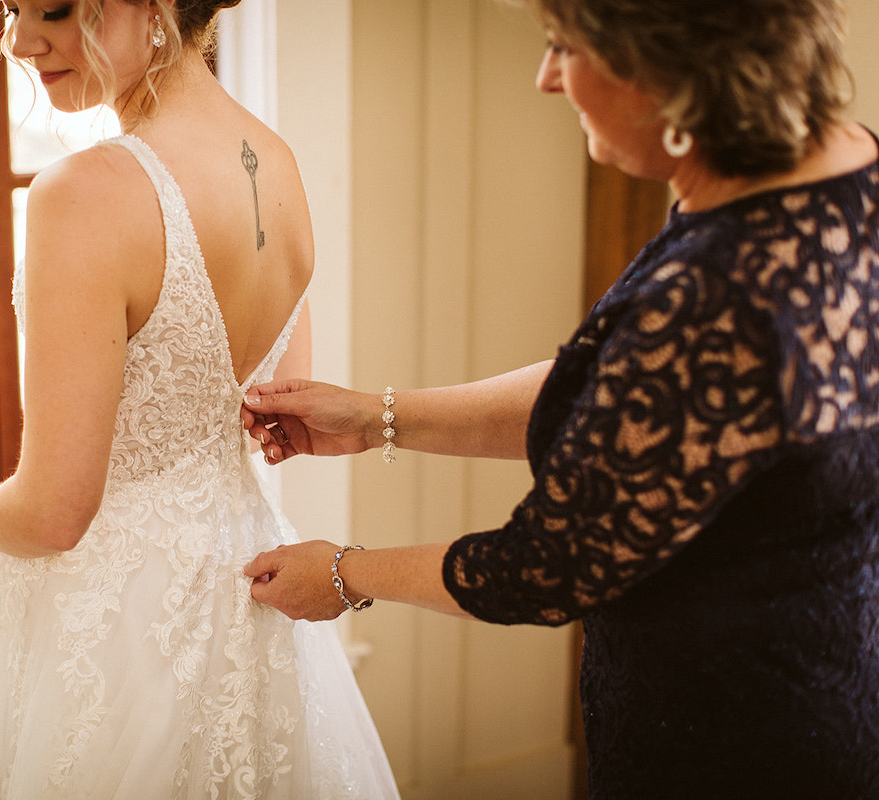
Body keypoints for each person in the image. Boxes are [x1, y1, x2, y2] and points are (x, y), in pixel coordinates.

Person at [241, 0, 879, 797]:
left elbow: (541, 568)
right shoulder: (842, 168)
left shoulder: (712, 298)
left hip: (733, 736)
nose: (547, 79)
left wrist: (343, 574)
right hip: (834, 674)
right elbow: (633, 393)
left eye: (562, 47)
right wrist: (376, 416)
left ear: (661, 64)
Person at [0, 2, 399, 798]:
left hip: (112, 623)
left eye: (56, 9)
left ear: (153, 7)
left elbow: (56, 510)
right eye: (11, 8)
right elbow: (272, 405)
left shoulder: (85, 192)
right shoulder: (275, 163)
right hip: (244, 585)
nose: (19, 40)